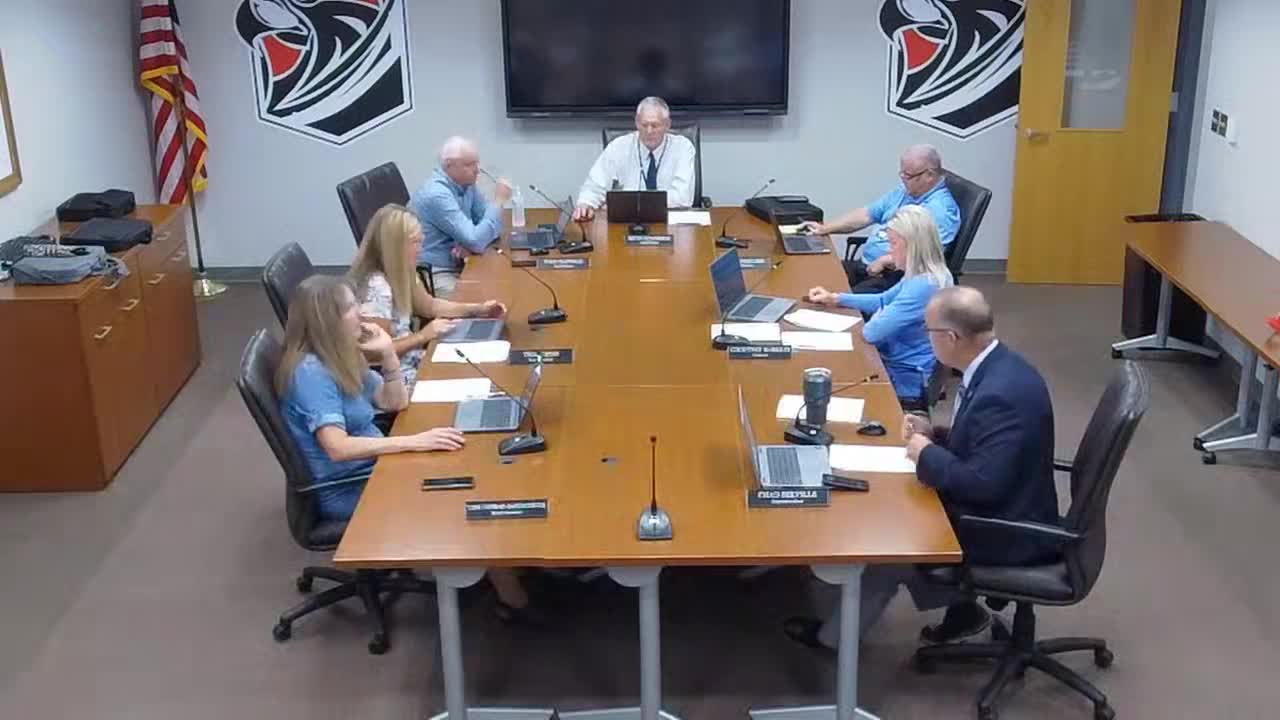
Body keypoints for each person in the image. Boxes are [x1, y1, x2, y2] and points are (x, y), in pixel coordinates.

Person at [784, 286, 1060, 651]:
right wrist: (935, 434)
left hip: (1007, 528)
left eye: (927, 330)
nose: (925, 337)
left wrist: (927, 453)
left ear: (951, 337)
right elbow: (984, 446)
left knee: (892, 542)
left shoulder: (1001, 394)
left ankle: (833, 641)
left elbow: (983, 484)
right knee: (894, 502)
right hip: (1009, 501)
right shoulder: (996, 366)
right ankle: (961, 611)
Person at [275, 275, 537, 622]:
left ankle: (505, 561)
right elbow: (337, 448)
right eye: (352, 307)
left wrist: (388, 355)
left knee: (467, 458)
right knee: (463, 488)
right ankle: (512, 599)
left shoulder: (339, 353)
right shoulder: (312, 374)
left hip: (375, 463)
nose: (361, 313)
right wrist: (413, 442)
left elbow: (392, 402)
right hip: (350, 485)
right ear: (329, 320)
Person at [805, 206, 952, 410]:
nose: (888, 251)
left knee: (821, 374)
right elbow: (883, 300)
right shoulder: (926, 273)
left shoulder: (924, 286)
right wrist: (835, 298)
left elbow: (871, 332)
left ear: (913, 245)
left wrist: (880, 316)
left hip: (904, 378)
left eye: (893, 243)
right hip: (893, 361)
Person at [349, 204, 507, 387]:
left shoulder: (401, 270)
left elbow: (429, 305)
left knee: (486, 367)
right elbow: (374, 355)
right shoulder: (376, 287)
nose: (421, 247)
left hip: (413, 360)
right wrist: (423, 336)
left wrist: (478, 309)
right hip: (395, 380)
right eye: (415, 242)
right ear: (395, 247)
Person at [803, 145, 961, 294]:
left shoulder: (941, 211)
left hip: (893, 276)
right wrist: (825, 228)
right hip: (866, 266)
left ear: (929, 175)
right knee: (812, 278)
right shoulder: (906, 191)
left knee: (834, 303)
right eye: (902, 173)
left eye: (908, 176)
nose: (903, 179)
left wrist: (885, 260)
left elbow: (927, 255)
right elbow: (867, 214)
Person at [409, 136, 512, 297]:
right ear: (448, 165)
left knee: (503, 286)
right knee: (485, 299)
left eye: (476, 163)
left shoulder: (466, 185)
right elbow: (478, 238)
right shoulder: (436, 195)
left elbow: (490, 226)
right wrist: (498, 201)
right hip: (435, 273)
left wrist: (471, 242)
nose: (477, 170)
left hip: (460, 264)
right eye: (469, 165)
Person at [572, 96, 696, 220]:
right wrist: (585, 203)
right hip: (627, 220)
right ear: (636, 122)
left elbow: (683, 198)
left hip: (669, 220)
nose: (649, 131)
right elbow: (595, 185)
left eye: (655, 125)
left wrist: (627, 204)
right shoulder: (618, 146)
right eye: (644, 125)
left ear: (667, 125)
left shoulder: (683, 147)